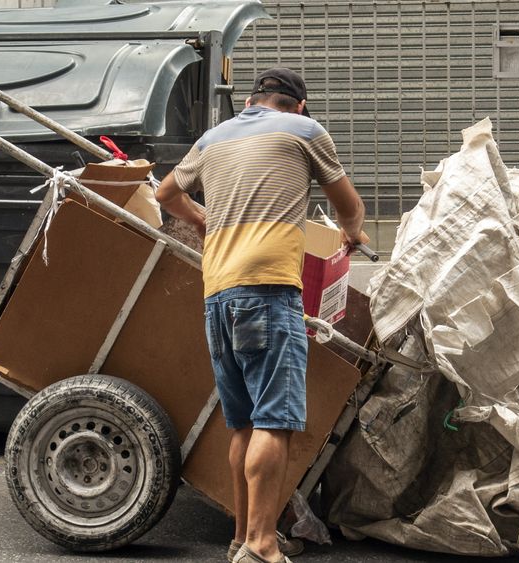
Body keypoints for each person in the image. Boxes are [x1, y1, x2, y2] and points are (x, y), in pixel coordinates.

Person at [156, 68, 369, 563]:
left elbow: (167, 194)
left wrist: (205, 219)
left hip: (218, 293)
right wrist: (351, 233)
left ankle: (240, 537)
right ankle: (262, 544)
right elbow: (349, 205)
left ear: (252, 101)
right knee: (275, 422)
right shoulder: (305, 131)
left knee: (244, 426)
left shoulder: (212, 139)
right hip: (268, 291)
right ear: (297, 105)